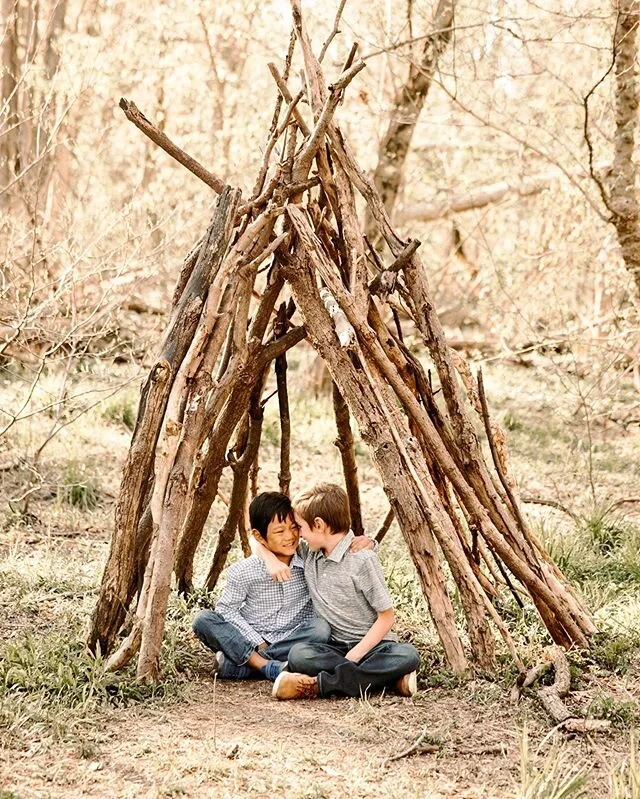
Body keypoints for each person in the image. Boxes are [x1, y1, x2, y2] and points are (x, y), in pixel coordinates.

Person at [256, 482, 420, 701]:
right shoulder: (311, 554)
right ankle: (387, 680)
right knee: (299, 655)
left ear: (319, 525)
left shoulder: (362, 560)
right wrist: (270, 561)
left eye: (299, 527)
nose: (297, 534)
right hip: (333, 648)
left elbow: (386, 618)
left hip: (373, 647)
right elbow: (257, 539)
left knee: (407, 655)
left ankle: (318, 685)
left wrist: (357, 654)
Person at [192, 492, 331, 682]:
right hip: (251, 638)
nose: (290, 536)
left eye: (294, 528)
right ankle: (265, 665)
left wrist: (365, 542)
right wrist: (258, 642)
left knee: (321, 629)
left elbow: (334, 543)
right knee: (203, 619)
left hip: (294, 638)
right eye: (280, 531)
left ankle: (243, 666)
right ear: (259, 535)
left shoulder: (309, 558)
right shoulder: (244, 571)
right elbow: (226, 609)